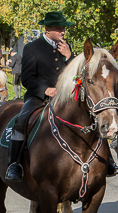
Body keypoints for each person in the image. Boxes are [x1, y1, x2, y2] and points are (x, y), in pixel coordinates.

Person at [5, 11, 74, 181]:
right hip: (38, 97)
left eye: (63, 28)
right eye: (59, 28)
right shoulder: (32, 47)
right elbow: (27, 78)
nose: (63, 32)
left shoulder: (66, 47)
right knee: (22, 119)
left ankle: (107, 160)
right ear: (48, 29)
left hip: (64, 98)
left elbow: (75, 73)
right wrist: (45, 90)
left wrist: (69, 56)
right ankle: (13, 164)